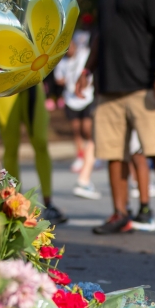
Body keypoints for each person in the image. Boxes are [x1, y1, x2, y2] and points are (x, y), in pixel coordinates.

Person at [82, 0, 155, 237]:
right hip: (109, 85)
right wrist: (87, 69)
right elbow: (102, 33)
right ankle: (120, 213)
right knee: (112, 153)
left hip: (145, 84)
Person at [0, 85, 65, 224]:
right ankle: (14, 204)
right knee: (11, 146)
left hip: (31, 82)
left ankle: (49, 203)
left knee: (40, 141)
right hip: (3, 84)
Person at [54, 33, 99, 200]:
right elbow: (58, 79)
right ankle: (81, 159)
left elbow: (91, 66)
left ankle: (86, 168)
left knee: (88, 129)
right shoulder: (63, 62)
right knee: (76, 129)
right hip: (71, 98)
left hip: (86, 97)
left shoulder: (84, 55)